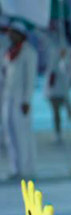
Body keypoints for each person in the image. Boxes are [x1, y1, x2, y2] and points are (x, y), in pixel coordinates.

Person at [2, 22, 37, 179]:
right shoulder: (8, 53)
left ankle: (25, 168)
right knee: (10, 134)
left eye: (14, 32)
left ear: (21, 35)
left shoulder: (28, 53)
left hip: (20, 99)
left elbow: (30, 79)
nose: (10, 35)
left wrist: (26, 100)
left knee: (22, 134)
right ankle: (15, 167)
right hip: (8, 98)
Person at [43, 28, 71, 144]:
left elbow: (66, 66)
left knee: (69, 109)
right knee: (55, 111)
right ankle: (58, 133)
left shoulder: (65, 46)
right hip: (52, 84)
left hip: (61, 83)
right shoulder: (51, 44)